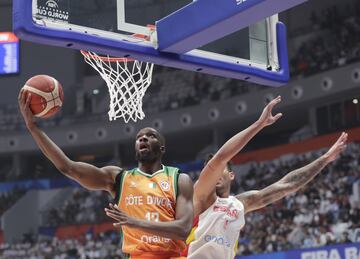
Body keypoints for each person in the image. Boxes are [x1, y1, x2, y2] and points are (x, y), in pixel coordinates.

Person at [18, 89, 194, 259]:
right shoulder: (118, 178)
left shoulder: (179, 179)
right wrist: (33, 127)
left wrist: (135, 222)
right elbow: (68, 167)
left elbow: (184, 229)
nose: (143, 138)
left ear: (162, 148)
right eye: (139, 137)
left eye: (151, 136)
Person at [184, 96, 348, 259]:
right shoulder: (201, 197)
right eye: (210, 170)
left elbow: (287, 185)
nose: (215, 173)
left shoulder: (240, 204)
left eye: (222, 170)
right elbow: (220, 158)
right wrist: (259, 125)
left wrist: (325, 159)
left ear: (232, 175)